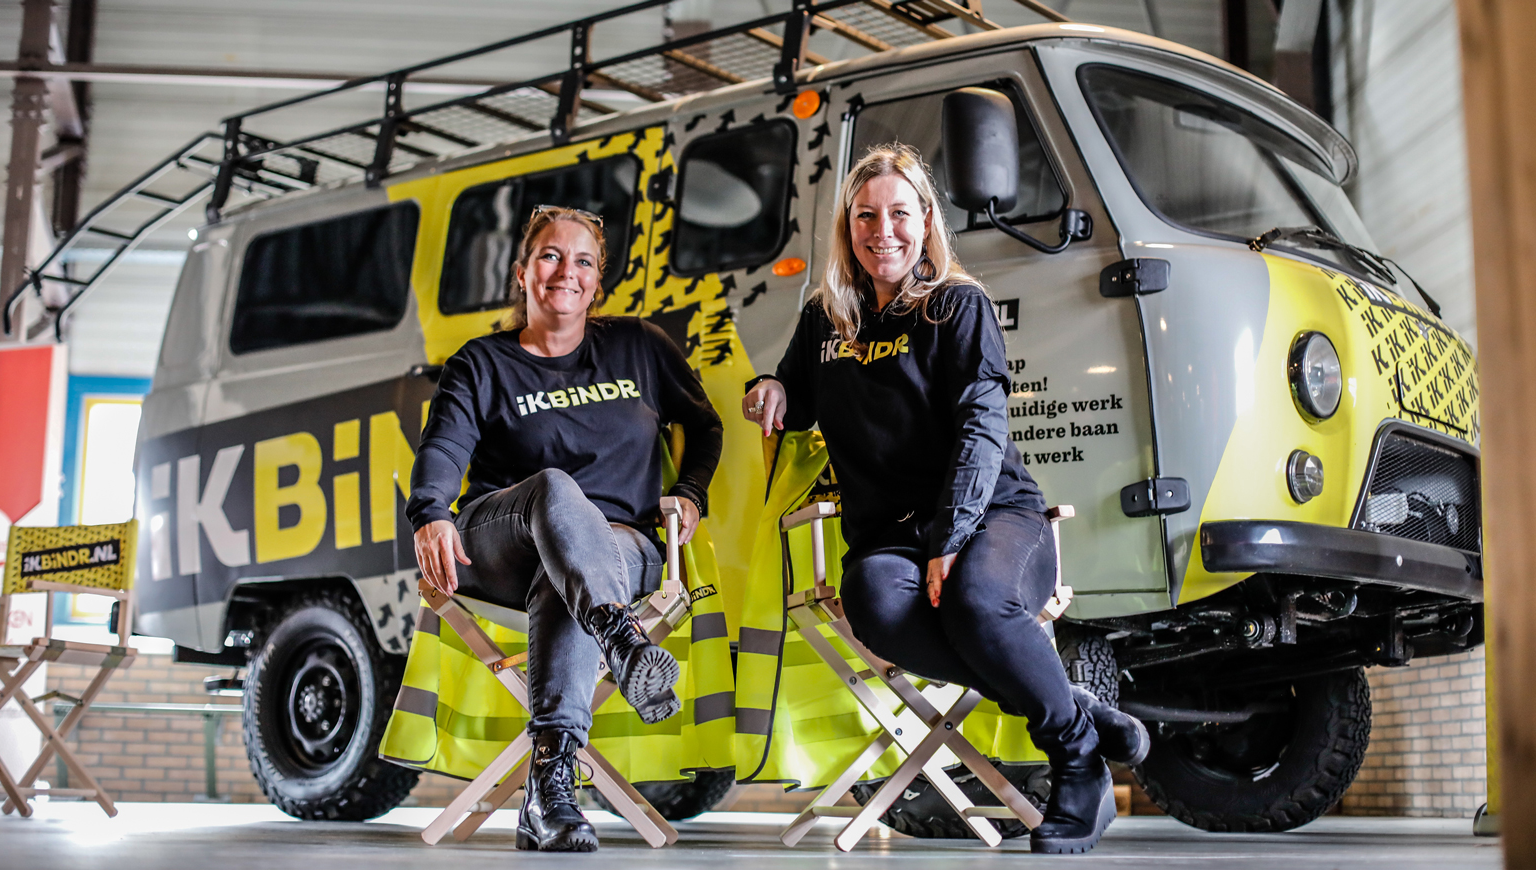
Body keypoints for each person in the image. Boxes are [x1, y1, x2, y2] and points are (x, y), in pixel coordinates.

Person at [741, 145, 1147, 855]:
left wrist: (951, 537)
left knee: (977, 601)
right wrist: (772, 391)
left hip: (995, 515)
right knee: (876, 606)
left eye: (900, 213)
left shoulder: (957, 306)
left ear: (926, 221)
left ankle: (1077, 762)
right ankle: (1071, 707)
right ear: (847, 228)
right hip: (888, 535)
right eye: (866, 216)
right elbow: (798, 400)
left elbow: (981, 428)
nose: (883, 231)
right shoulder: (825, 317)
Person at [409, 205, 723, 853]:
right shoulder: (482, 363)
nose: (566, 272)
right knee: (555, 489)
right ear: (523, 273)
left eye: (583, 261)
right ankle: (623, 638)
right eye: (551, 256)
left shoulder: (638, 345)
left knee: (569, 577)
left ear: (598, 284)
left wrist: (690, 493)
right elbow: (442, 447)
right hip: (505, 539)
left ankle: (549, 793)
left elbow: (707, 424)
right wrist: (432, 512)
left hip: (619, 547)